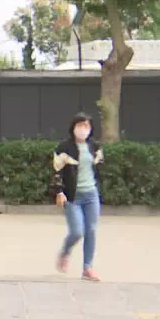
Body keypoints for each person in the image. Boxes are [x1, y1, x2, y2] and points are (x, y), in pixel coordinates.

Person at [52, 111, 104, 282]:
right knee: (77, 231)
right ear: (73, 127)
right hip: (72, 196)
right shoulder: (64, 148)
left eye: (86, 125)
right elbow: (56, 172)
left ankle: (87, 268)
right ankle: (65, 252)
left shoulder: (94, 147)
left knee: (91, 230)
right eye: (80, 125)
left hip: (91, 195)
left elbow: (99, 170)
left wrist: (99, 188)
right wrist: (59, 192)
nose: (83, 129)